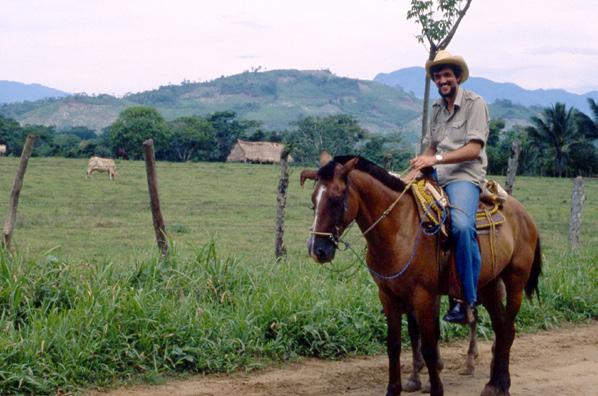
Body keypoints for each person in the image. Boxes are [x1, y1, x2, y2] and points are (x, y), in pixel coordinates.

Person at [408, 50, 490, 324]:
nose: (442, 80)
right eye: (438, 75)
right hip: (437, 174)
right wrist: (420, 164)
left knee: (462, 226)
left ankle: (465, 300)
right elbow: (432, 145)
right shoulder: (436, 109)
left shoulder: (474, 103)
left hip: (464, 175)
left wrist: (436, 159)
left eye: (447, 75)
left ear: (456, 77)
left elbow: (474, 148)